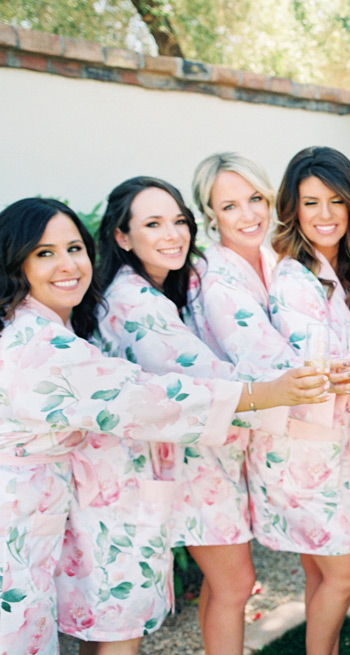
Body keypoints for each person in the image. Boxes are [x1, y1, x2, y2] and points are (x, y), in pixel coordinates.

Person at [0, 198, 318, 655]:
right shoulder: (42, 345)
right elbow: (147, 398)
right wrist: (269, 393)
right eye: (45, 253)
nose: (68, 264)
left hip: (41, 508)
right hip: (19, 516)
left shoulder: (33, 324)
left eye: (74, 248)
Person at [189, 153, 308, 654]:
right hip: (209, 447)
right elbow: (268, 364)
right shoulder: (216, 277)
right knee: (235, 585)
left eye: (255, 199)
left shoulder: (273, 260)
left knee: (226, 586)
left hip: (245, 439)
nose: (249, 214)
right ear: (210, 215)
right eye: (230, 206)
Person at [268, 146, 350, 655]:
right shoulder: (294, 277)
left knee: (320, 568)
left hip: (338, 442)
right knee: (348, 571)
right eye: (311, 203)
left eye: (336, 201)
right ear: (293, 209)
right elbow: (320, 365)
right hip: (306, 446)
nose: (325, 215)